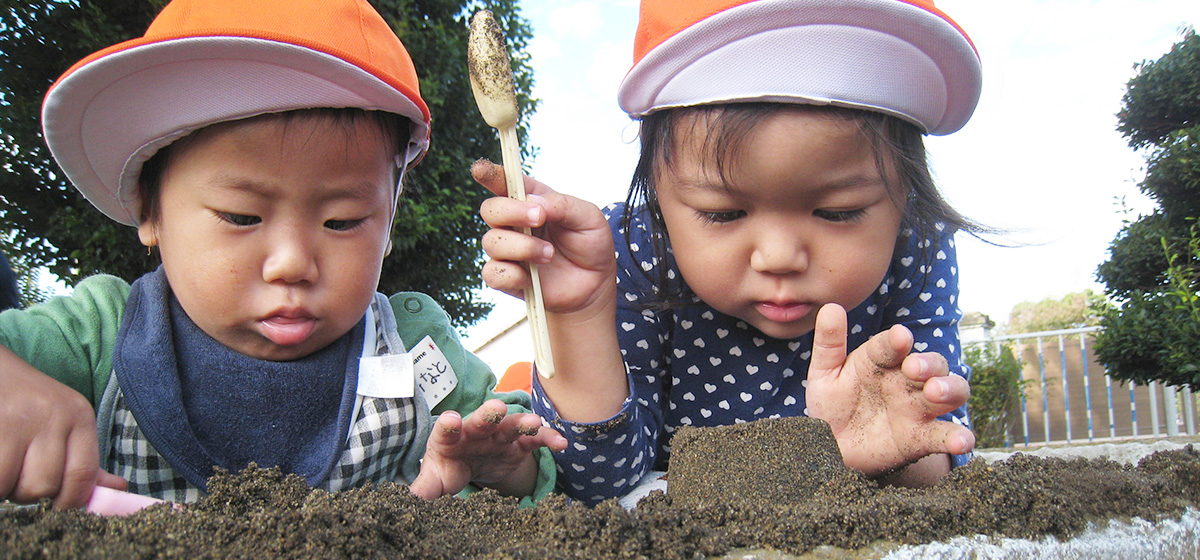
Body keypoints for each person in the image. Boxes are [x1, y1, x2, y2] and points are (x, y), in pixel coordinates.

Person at [0, 0, 565, 511]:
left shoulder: (417, 350)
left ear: (388, 223)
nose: (293, 264)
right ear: (150, 210)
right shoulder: (96, 337)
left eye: (341, 222)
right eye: (242, 217)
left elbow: (508, 447)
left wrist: (499, 467)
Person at [476, 0, 982, 505]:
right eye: (723, 214)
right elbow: (594, 482)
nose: (780, 256)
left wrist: (889, 449)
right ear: (659, 197)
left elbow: (946, 451)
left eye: (838, 212)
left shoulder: (916, 245)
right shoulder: (636, 247)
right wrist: (580, 319)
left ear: (903, 198)